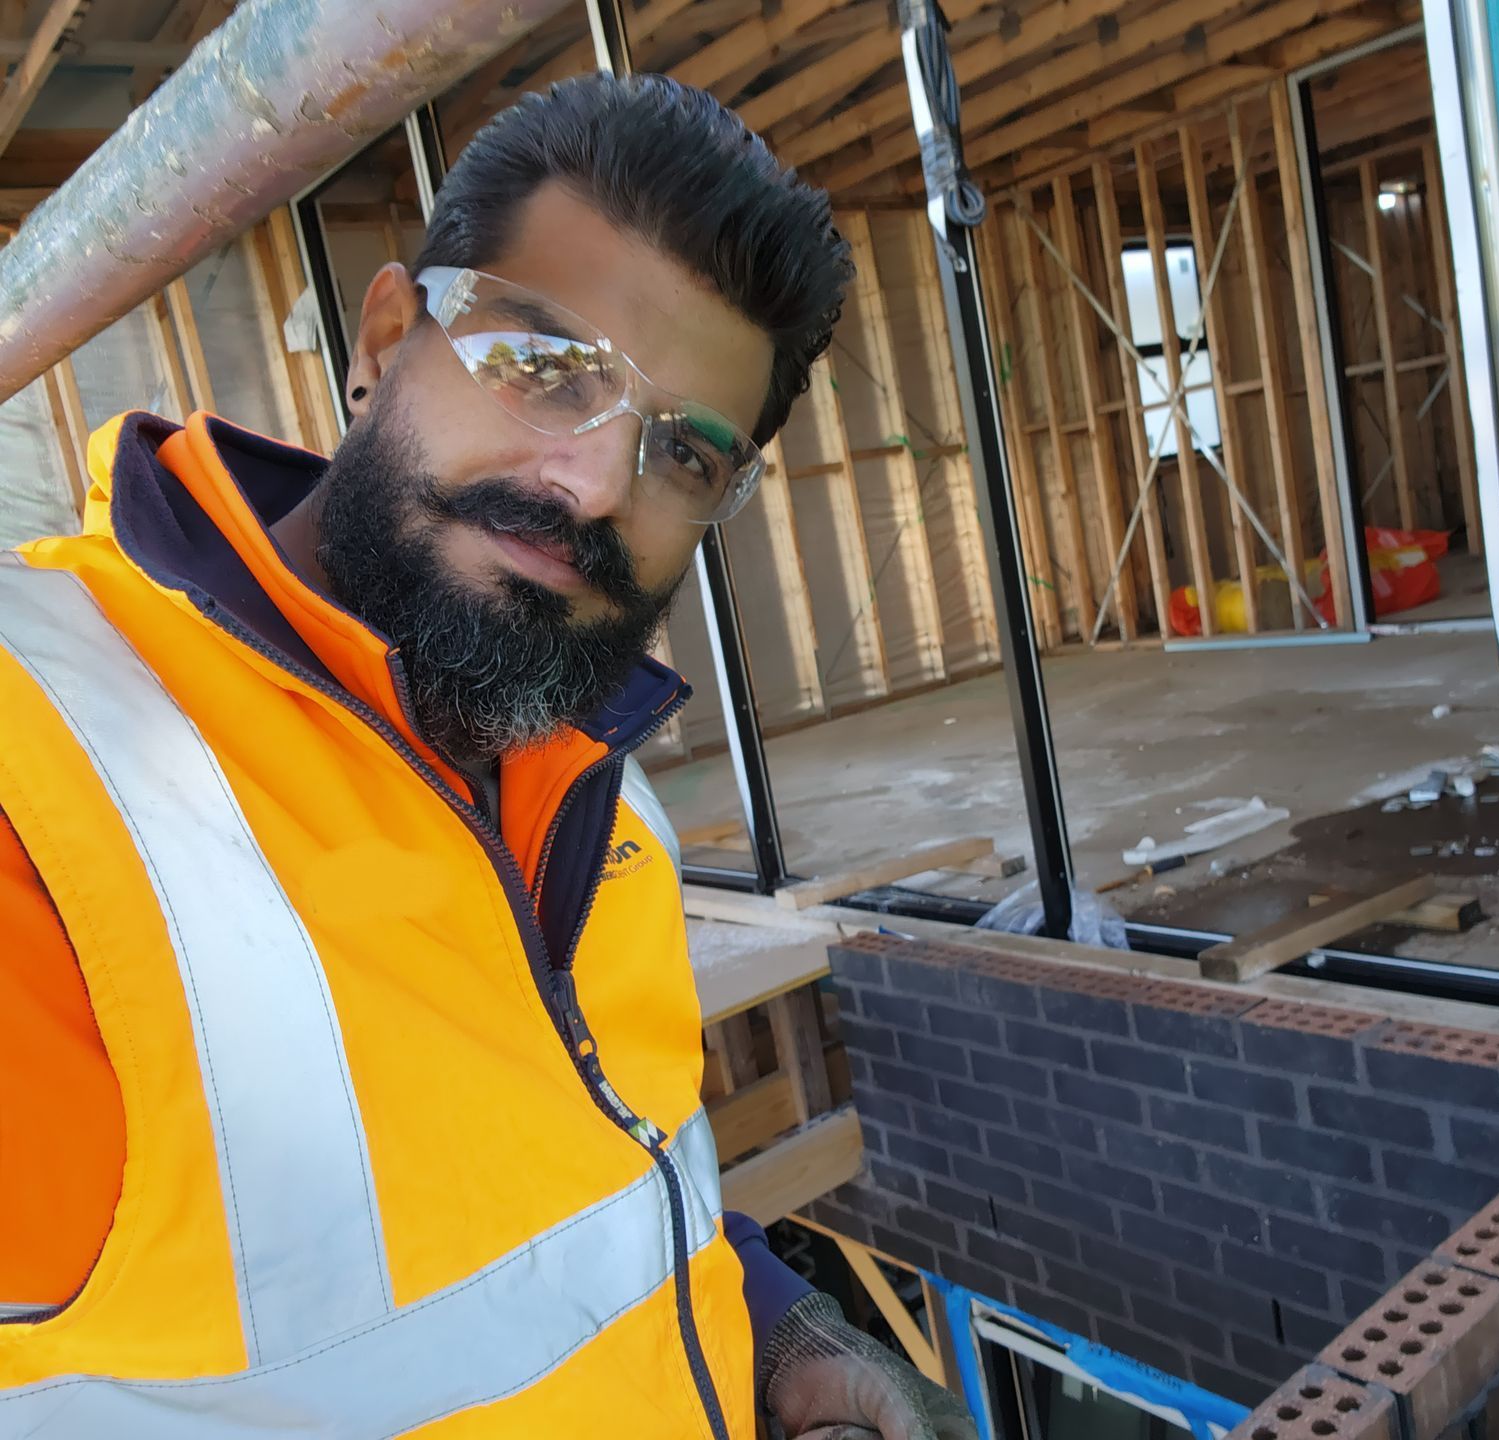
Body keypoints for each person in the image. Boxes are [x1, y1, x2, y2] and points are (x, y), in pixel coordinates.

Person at [0, 72, 974, 1439]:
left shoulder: (589, 784)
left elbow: (595, 1189)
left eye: (683, 454)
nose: (592, 485)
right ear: (388, 334)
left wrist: (763, 1325)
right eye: (544, 365)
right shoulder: (41, 770)